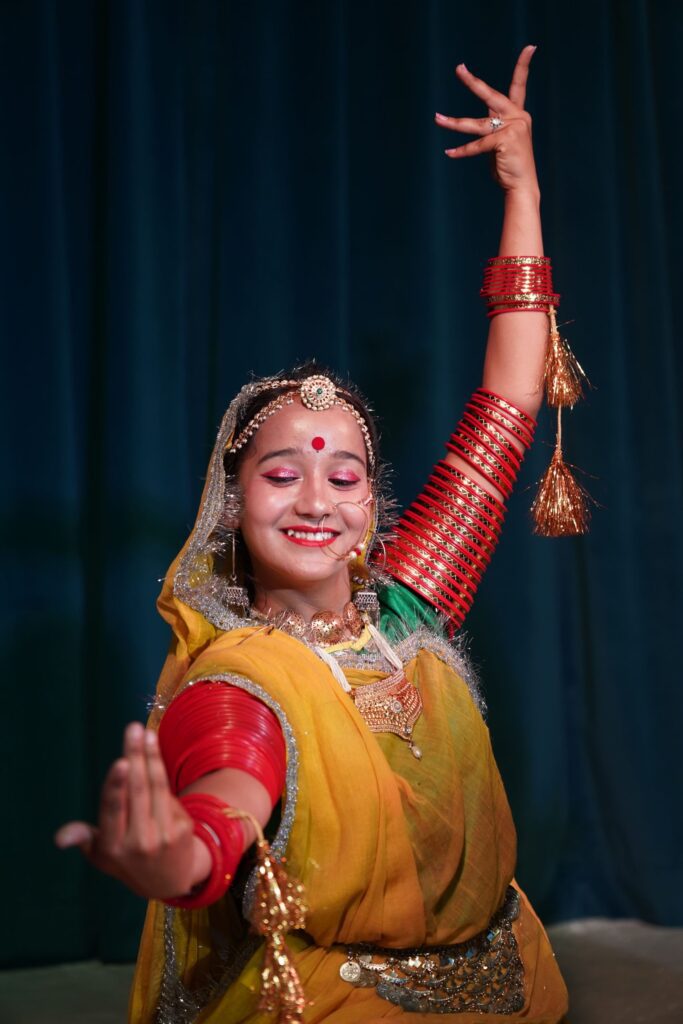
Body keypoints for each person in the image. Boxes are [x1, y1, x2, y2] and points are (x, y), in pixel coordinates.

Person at [56, 47, 569, 1023]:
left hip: (507, 983)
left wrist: (521, 188)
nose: (315, 499)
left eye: (344, 476)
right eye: (281, 473)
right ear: (232, 504)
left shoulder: (409, 609)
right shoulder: (244, 679)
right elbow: (225, 809)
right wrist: (173, 857)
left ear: (373, 505)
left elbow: (510, 398)